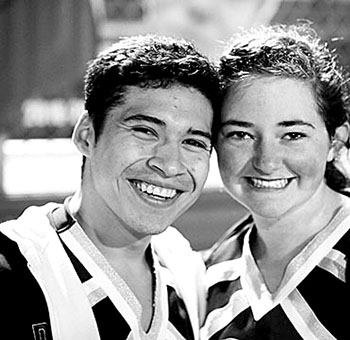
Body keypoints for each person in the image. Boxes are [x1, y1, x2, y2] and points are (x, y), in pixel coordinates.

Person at [200, 23, 350, 340]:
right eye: (241, 135)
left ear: (336, 140)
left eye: (292, 135)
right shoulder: (209, 273)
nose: (267, 160)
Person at [0, 34, 221, 340]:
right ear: (87, 135)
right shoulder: (16, 267)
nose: (170, 165)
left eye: (194, 142)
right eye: (145, 131)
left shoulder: (186, 268)